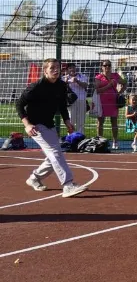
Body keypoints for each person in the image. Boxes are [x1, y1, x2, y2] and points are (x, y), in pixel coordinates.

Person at [17, 58, 86, 198]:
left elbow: (62, 105)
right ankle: (68, 185)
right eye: (52, 68)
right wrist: (27, 125)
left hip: (49, 124)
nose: (56, 70)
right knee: (55, 152)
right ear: (45, 71)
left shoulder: (61, 85)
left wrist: (67, 121)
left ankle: (34, 178)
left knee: (53, 155)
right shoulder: (36, 86)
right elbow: (19, 104)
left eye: (57, 68)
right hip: (36, 126)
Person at [95, 59, 127, 150]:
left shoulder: (115, 75)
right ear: (102, 67)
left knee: (114, 122)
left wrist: (120, 92)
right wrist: (109, 85)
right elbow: (97, 90)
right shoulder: (98, 77)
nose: (107, 67)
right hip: (102, 102)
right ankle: (99, 141)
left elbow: (125, 83)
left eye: (109, 65)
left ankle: (115, 141)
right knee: (100, 122)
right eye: (105, 65)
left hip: (113, 102)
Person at [62, 63, 88, 136]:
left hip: (82, 100)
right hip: (71, 102)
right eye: (70, 68)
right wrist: (66, 82)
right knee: (71, 119)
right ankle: (70, 137)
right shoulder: (64, 78)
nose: (72, 69)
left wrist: (77, 81)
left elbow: (86, 85)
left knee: (81, 120)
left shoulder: (82, 76)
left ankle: (80, 136)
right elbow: (61, 89)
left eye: (73, 67)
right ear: (67, 70)